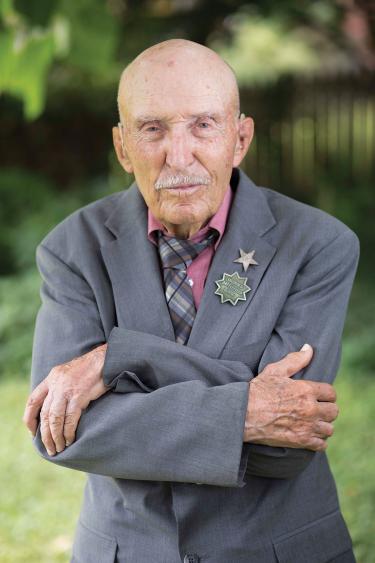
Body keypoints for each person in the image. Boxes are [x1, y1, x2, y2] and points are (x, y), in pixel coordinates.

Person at [23, 39, 359, 563]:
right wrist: (246, 409)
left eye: (203, 125)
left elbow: (285, 442)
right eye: (152, 129)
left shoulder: (318, 243)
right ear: (122, 148)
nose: (179, 157)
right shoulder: (71, 250)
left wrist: (120, 361)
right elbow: (65, 431)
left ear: (240, 138)